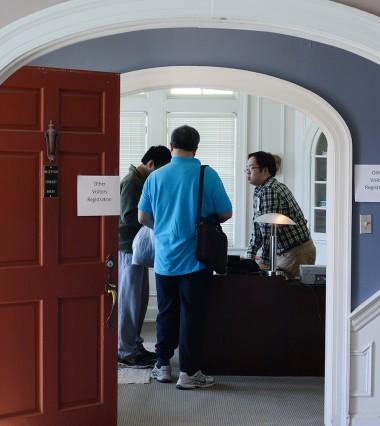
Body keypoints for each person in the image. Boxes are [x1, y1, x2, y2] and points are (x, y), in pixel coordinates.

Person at [138, 125, 232, 390]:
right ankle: (189, 373)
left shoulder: (155, 177)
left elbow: (142, 217)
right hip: (197, 258)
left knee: (166, 312)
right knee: (192, 315)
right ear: (196, 147)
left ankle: (163, 366)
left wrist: (165, 228)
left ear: (170, 146)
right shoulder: (207, 174)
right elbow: (226, 213)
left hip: (165, 258)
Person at [118, 145, 172, 369]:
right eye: (160, 170)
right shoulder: (132, 182)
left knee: (139, 301)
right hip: (128, 249)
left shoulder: (141, 181)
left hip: (137, 250)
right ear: (151, 164)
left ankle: (134, 344)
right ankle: (124, 352)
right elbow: (129, 217)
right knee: (129, 302)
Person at [244, 151, 316, 276]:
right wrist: (249, 257)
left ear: (265, 170)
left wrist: (264, 261)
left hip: (295, 252)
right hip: (285, 252)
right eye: (246, 169)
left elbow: (270, 229)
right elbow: (257, 227)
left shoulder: (270, 190)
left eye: (251, 168)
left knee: (290, 294)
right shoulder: (259, 190)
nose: (248, 172)